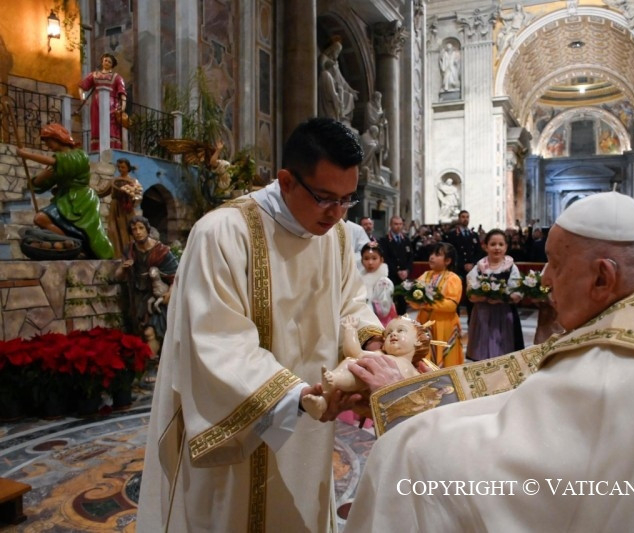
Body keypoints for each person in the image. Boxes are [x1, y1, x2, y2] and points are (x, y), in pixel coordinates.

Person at [345, 191, 634, 532]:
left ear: (603, 278)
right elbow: (523, 396)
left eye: (555, 264)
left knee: (400, 457)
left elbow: (504, 474)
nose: (544, 279)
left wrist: (403, 409)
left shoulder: (615, 368)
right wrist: (410, 392)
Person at [136, 118, 384, 532]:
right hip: (243, 428)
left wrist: (372, 348)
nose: (337, 213)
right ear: (286, 181)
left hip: (311, 427)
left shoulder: (337, 237)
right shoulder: (222, 233)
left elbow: (351, 305)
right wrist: (297, 396)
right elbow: (216, 340)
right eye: (325, 198)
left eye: (347, 200)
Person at [301, 315, 430, 419]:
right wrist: (350, 329)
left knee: (348, 379)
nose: (393, 334)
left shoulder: (417, 371)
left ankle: (331, 386)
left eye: (400, 330)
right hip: (360, 384)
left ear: (418, 340)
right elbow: (354, 352)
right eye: (388, 333)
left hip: (395, 408)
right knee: (350, 363)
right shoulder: (379, 356)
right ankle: (323, 401)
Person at [15, 123, 114, 259]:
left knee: (90, 232)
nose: (47, 145)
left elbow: (59, 162)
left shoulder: (80, 155)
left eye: (48, 141)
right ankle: (73, 245)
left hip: (81, 199)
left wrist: (27, 155)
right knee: (40, 219)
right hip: (64, 199)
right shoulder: (57, 161)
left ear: (58, 138)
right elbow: (39, 185)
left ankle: (81, 247)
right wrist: (42, 176)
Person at [115, 215, 178, 356]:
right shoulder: (130, 250)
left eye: (141, 228)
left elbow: (176, 276)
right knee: (141, 331)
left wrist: (170, 292)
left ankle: (153, 362)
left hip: (158, 295)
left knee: (151, 331)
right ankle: (153, 360)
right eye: (134, 229)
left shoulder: (161, 251)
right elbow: (118, 275)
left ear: (147, 229)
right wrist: (124, 268)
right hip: (138, 296)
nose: (138, 232)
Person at [466, 229, 524, 360]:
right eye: (493, 244)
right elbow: (471, 293)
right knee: (482, 353)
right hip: (482, 315)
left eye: (501, 244)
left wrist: (502, 298)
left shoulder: (511, 267)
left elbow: (517, 293)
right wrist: (484, 297)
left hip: (505, 314)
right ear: (485, 247)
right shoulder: (479, 267)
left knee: (504, 353)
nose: (497, 248)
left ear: (506, 247)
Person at [408, 242, 464, 367]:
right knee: (424, 357)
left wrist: (428, 304)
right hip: (424, 323)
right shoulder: (425, 275)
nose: (432, 257)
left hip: (444, 325)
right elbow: (413, 297)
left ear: (448, 261)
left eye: (437, 255)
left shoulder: (453, 278)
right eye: (431, 254)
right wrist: (415, 301)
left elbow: (451, 305)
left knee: (447, 360)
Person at [78, 52, 127, 151]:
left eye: (109, 62)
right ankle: (97, 148)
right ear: (102, 61)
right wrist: (82, 98)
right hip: (96, 105)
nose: (107, 63)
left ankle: (112, 147)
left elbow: (122, 94)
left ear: (112, 65)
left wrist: (123, 107)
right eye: (105, 60)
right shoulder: (94, 75)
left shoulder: (117, 77)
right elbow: (82, 87)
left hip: (113, 105)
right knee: (97, 125)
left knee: (112, 127)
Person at [97, 158, 143, 258]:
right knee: (113, 230)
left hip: (126, 208)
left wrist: (131, 196)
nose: (120, 169)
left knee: (127, 229)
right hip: (115, 207)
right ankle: (116, 254)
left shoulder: (133, 181)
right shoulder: (114, 180)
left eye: (123, 167)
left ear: (128, 168)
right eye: (119, 167)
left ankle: (130, 254)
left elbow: (137, 196)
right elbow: (103, 192)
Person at [444, 209, 483, 315]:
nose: (465, 219)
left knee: (471, 295)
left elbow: (478, 252)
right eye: (463, 217)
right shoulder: (452, 235)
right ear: (459, 219)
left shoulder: (473, 235)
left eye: (467, 217)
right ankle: (455, 318)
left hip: (471, 270)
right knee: (455, 294)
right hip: (458, 269)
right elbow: (451, 252)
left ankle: (471, 320)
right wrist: (462, 264)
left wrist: (472, 264)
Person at [379, 215, 415, 315]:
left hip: (404, 276)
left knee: (403, 301)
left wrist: (407, 270)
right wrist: (397, 271)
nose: (398, 226)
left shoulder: (406, 240)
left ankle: (403, 319)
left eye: (400, 224)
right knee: (390, 300)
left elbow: (410, 257)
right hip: (391, 275)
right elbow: (385, 258)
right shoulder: (384, 240)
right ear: (390, 225)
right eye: (395, 224)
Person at [319, 39, 358, 124]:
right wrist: (330, 64)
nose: (337, 54)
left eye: (338, 52)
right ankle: (338, 112)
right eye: (337, 51)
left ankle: (341, 114)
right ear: (332, 49)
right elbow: (321, 68)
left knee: (350, 96)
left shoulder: (336, 63)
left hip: (336, 85)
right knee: (338, 91)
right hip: (327, 81)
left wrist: (351, 90)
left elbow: (341, 79)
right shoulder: (324, 57)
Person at [359, 242, 397, 326]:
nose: (370, 262)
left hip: (381, 323)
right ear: (361, 261)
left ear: (381, 260)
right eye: (366, 258)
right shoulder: (359, 279)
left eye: (374, 258)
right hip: (363, 320)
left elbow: (384, 310)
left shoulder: (384, 282)